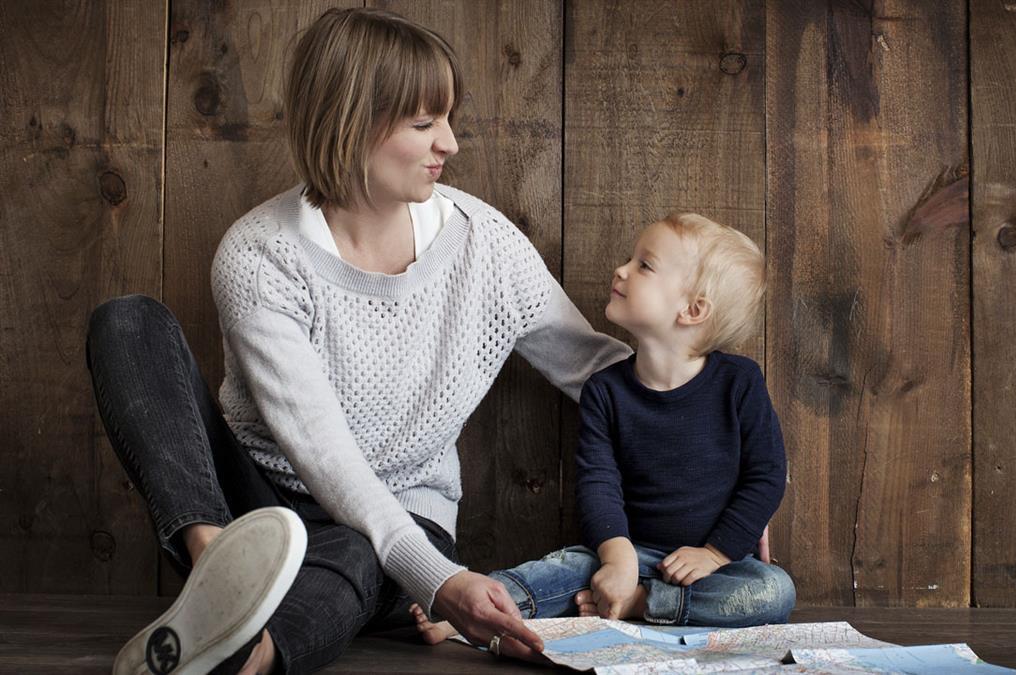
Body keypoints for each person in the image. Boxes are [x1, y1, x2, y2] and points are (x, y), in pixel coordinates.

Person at [88, 7, 631, 674]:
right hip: (252, 506)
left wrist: (730, 423)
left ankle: (247, 653)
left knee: (356, 547)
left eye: (448, 119)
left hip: (403, 520)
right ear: (350, 122)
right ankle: (218, 574)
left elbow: (598, 371)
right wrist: (441, 584)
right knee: (127, 322)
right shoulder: (260, 254)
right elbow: (320, 448)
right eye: (424, 123)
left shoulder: (485, 245)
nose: (450, 143)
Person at [411, 213, 795, 646]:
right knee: (563, 568)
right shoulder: (606, 390)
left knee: (774, 591)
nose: (622, 270)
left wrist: (715, 553)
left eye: (644, 265)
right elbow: (598, 483)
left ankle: (642, 604)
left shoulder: (739, 383)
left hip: (713, 568)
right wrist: (617, 557)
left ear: (693, 310)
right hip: (628, 550)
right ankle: (472, 609)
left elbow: (766, 475)